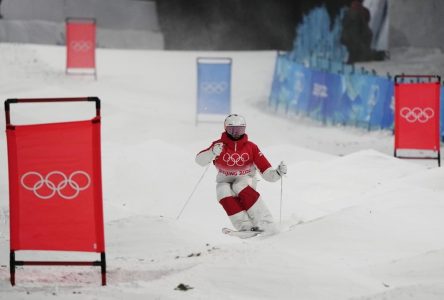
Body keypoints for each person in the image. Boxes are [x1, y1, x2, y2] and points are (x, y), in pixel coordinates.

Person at [195, 114, 287, 233]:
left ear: (244, 129)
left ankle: (265, 222)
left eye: (240, 130)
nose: (236, 133)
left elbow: (265, 169)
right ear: (225, 129)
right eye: (232, 130)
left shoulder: (251, 147)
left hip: (246, 178)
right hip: (225, 180)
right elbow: (199, 161)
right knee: (222, 191)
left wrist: (277, 173)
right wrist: (212, 152)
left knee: (239, 185)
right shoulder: (219, 145)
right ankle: (245, 226)